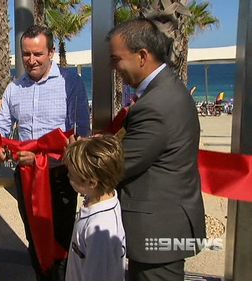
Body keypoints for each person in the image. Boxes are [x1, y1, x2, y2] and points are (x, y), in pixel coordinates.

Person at [107, 18, 205, 281]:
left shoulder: (156, 104)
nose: (113, 67)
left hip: (159, 231)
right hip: (165, 226)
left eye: (116, 59)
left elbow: (121, 164)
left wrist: (73, 155)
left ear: (142, 56)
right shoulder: (163, 91)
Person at [0, 25, 90, 281]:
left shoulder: (71, 82)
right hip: (25, 176)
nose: (31, 60)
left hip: (60, 177)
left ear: (51, 52)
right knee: (34, 237)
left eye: (38, 53)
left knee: (61, 240)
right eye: (26, 54)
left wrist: (46, 158)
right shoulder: (14, 88)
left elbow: (81, 138)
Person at [63, 135, 126, 281]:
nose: (68, 176)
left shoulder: (100, 229)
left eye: (72, 175)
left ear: (91, 183)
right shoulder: (102, 200)